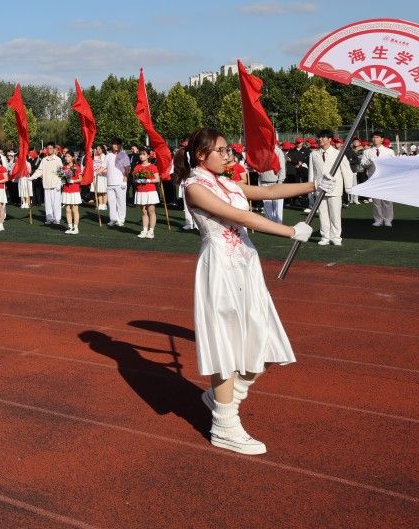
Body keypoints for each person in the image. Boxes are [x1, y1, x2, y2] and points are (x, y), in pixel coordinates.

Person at [182, 127, 328, 455]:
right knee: (226, 344)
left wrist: (314, 184)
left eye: (228, 149)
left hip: (246, 264)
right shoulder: (195, 187)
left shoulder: (227, 182)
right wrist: (290, 231)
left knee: (264, 339)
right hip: (220, 267)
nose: (228, 155)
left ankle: (224, 399)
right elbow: (240, 216)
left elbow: (269, 191)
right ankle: (224, 424)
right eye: (221, 150)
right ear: (201, 155)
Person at [307, 130, 355, 246]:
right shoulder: (314, 154)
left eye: (323, 137)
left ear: (329, 139)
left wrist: (348, 187)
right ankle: (325, 236)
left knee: (335, 214)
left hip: (335, 188)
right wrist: (311, 187)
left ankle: (336, 237)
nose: (320, 139)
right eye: (319, 137)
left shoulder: (338, 153)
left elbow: (346, 171)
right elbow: (312, 172)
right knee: (323, 215)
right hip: (320, 188)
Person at [363, 131, 396, 227]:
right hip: (373, 179)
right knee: (376, 201)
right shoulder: (367, 152)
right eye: (373, 137)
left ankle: (388, 219)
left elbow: (394, 164)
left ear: (382, 139)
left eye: (377, 137)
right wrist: (370, 162)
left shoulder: (389, 151)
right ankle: (378, 219)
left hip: (386, 179)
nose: (375, 139)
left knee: (387, 200)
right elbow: (363, 164)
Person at [30, 144, 63, 226]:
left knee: (56, 204)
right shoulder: (44, 160)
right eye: (48, 148)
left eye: (51, 148)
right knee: (48, 204)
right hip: (46, 184)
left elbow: (60, 172)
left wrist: (60, 182)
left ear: (54, 149)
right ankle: (49, 219)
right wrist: (31, 177)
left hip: (55, 185)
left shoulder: (58, 159)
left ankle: (57, 219)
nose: (49, 150)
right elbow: (39, 171)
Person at [131, 149, 160, 238]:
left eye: (143, 154)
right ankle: (144, 230)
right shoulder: (137, 167)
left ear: (148, 156)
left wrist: (148, 180)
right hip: (140, 191)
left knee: (151, 211)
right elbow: (133, 179)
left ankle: (151, 231)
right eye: (140, 154)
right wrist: (137, 180)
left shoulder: (153, 166)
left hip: (150, 191)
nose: (141, 156)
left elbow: (157, 179)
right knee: (144, 212)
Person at [103, 141, 130, 228]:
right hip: (110, 183)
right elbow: (103, 167)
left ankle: (121, 219)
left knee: (121, 202)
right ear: (112, 145)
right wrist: (95, 173)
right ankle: (113, 219)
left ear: (120, 145)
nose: (116, 146)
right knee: (111, 202)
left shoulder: (124, 155)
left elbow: (127, 168)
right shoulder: (108, 156)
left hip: (120, 182)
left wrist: (125, 180)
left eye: (117, 144)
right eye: (114, 144)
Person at [60, 152, 83, 234]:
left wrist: (72, 181)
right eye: (65, 156)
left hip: (74, 190)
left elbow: (80, 179)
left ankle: (76, 228)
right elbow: (61, 177)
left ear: (72, 157)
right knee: (67, 209)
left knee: (74, 209)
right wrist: (62, 180)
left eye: (68, 156)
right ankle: (70, 227)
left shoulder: (76, 167)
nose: (66, 158)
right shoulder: (63, 167)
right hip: (66, 190)